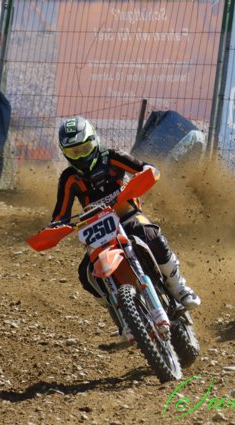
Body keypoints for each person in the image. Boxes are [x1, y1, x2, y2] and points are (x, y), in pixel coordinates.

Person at [49, 116, 201, 317]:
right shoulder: (69, 178)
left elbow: (144, 167)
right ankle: (118, 312)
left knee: (151, 236)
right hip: (99, 231)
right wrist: (54, 228)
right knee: (86, 274)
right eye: (73, 152)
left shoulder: (113, 157)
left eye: (84, 149)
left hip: (129, 216)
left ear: (94, 141)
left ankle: (179, 288)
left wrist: (147, 172)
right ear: (65, 153)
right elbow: (60, 215)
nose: (80, 157)